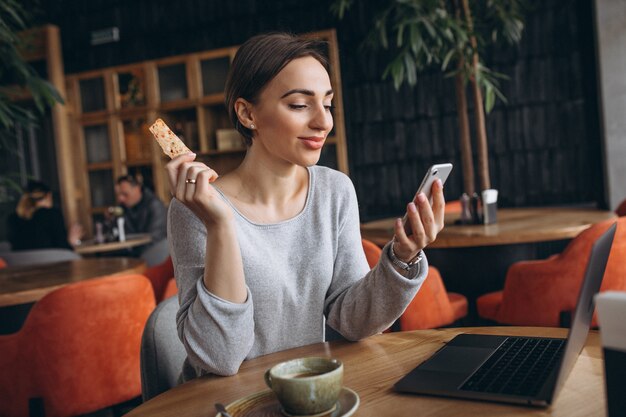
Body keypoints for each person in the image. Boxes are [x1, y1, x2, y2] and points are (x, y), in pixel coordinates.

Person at [166, 32, 446, 381]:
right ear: (247, 113)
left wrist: (401, 258)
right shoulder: (196, 209)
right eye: (300, 104)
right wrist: (221, 226)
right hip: (224, 402)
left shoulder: (334, 190)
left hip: (305, 393)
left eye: (327, 103)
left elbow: (353, 319)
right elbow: (220, 358)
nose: (324, 121)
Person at [7, 180, 83, 251]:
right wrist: (72, 241)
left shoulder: (13, 218)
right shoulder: (53, 214)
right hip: (52, 264)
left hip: (22, 265)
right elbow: (62, 250)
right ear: (49, 195)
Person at [114, 175, 167, 250]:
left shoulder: (155, 205)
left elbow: (155, 238)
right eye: (118, 195)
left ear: (137, 189)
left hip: (156, 252)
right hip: (133, 252)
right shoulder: (122, 208)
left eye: (125, 194)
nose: (120, 199)